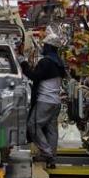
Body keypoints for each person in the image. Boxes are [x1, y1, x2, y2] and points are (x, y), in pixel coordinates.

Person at [20, 34, 67, 168]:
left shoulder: (46, 62)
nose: (43, 47)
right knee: (52, 130)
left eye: (45, 45)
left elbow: (34, 76)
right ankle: (52, 159)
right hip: (56, 102)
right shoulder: (59, 62)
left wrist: (24, 64)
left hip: (45, 101)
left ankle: (47, 153)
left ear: (49, 47)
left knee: (33, 125)